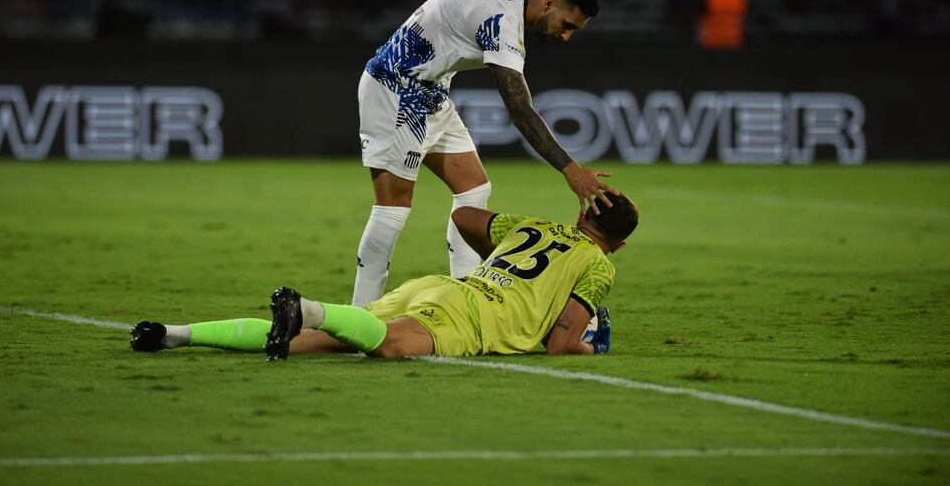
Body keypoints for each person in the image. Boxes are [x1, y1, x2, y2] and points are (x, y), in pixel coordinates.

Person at [353, 0, 621, 306]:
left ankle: (464, 299)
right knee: (393, 208)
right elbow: (519, 109)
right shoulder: (503, 22)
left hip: (430, 90)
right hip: (395, 90)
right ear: (550, 2)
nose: (566, 37)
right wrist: (572, 171)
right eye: (567, 26)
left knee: (474, 189)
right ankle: (361, 313)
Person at [130, 192, 639, 359]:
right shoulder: (598, 265)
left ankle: (175, 335)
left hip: (441, 286)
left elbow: (464, 217)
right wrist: (593, 348)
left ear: (582, 215)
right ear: (616, 244)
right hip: (475, 315)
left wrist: (494, 250)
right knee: (390, 347)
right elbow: (561, 344)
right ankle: (308, 308)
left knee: (310, 342)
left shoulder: (535, 226)